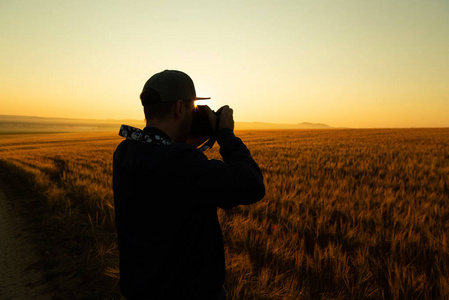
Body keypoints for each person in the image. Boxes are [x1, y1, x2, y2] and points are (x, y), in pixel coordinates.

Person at [113, 70, 265, 299]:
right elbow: (252, 185)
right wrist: (225, 134)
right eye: (192, 107)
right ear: (179, 108)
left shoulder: (125, 152)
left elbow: (166, 169)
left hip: (140, 290)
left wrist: (186, 144)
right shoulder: (181, 163)